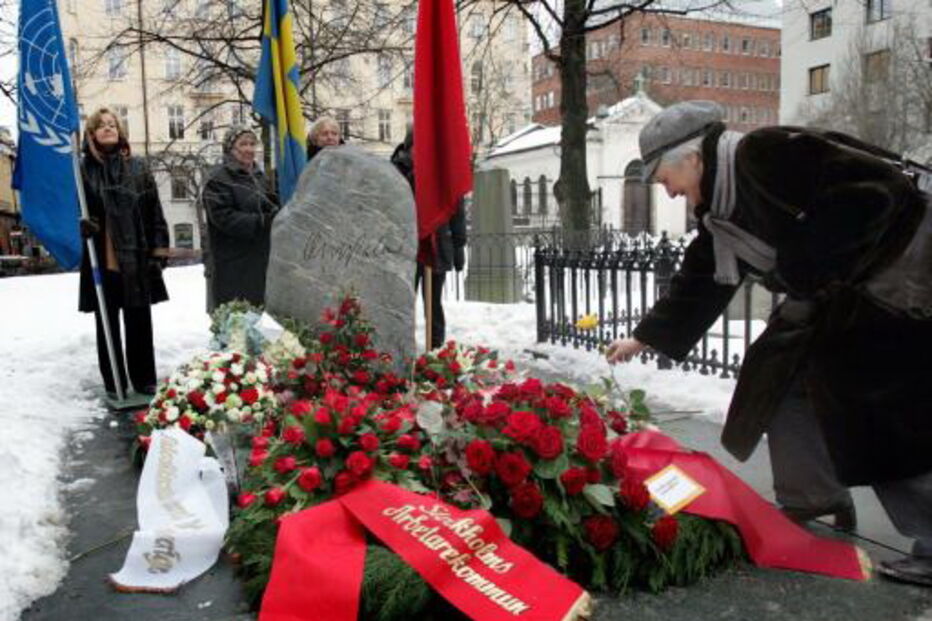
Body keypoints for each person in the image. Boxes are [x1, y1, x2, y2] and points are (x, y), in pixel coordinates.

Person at [606, 100, 932, 587]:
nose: (668, 191)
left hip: (899, 282)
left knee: (880, 414)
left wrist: (803, 265)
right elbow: (700, 280)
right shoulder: (720, 213)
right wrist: (643, 338)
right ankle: (813, 496)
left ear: (691, 158)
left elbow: (876, 193)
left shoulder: (765, 153)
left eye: (663, 177)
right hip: (842, 290)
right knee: (779, 378)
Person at [78, 107, 169, 398]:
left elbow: (154, 210)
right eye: (101, 125)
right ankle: (114, 381)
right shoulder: (82, 171)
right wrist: (83, 225)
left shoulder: (138, 167)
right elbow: (73, 211)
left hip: (136, 257)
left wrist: (158, 252)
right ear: (91, 133)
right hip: (102, 259)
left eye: (112, 124)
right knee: (107, 325)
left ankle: (144, 379)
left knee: (139, 321)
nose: (108, 129)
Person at [391, 129, 467, 349]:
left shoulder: (444, 172)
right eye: (419, 146)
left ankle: (435, 349)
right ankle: (402, 349)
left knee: (433, 302)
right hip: (406, 249)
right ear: (409, 147)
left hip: (436, 244)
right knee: (405, 303)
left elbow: (456, 211)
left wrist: (459, 246)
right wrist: (416, 176)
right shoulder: (396, 168)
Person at [202, 126, 279, 310]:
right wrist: (261, 221)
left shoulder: (260, 177)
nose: (249, 149)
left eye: (252, 143)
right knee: (237, 329)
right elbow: (223, 218)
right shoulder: (218, 179)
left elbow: (269, 206)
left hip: (260, 263)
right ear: (230, 148)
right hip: (231, 266)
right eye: (243, 143)